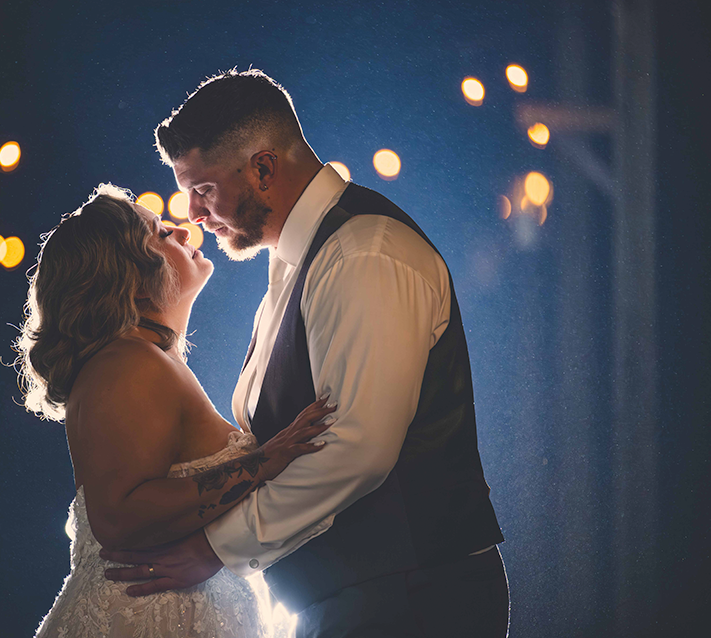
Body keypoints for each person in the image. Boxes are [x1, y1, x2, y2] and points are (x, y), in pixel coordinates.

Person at [100, 69, 509, 637]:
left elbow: (356, 448)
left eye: (204, 189)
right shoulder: (298, 263)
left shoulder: (365, 254)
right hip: (352, 599)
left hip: (410, 598)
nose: (192, 212)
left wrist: (215, 548)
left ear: (263, 167)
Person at [16, 183, 338, 638]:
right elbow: (119, 517)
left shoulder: (138, 361)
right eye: (163, 234)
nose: (186, 234)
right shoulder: (128, 362)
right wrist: (262, 463)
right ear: (132, 277)